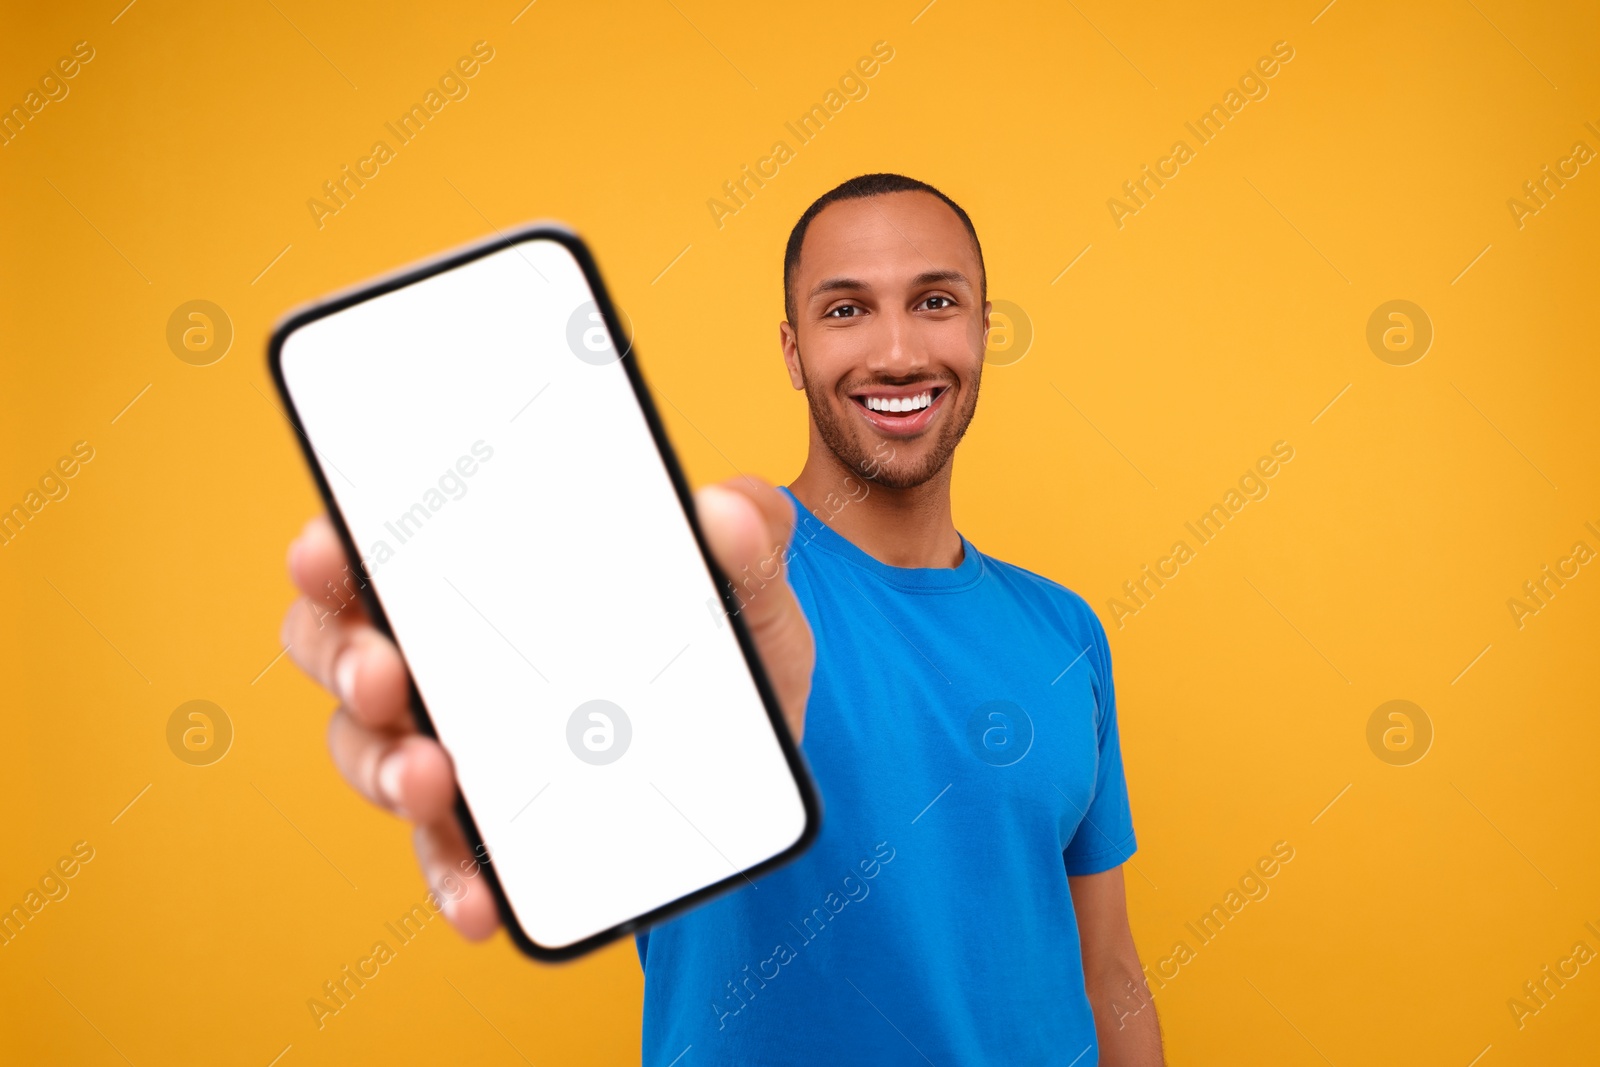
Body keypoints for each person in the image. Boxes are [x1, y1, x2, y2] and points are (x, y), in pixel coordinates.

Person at [281, 173, 1165, 1065]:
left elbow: (1110, 972)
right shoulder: (701, 593)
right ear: (792, 350)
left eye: (935, 301)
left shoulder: (1065, 630)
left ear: (983, 328)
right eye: (846, 310)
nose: (898, 351)